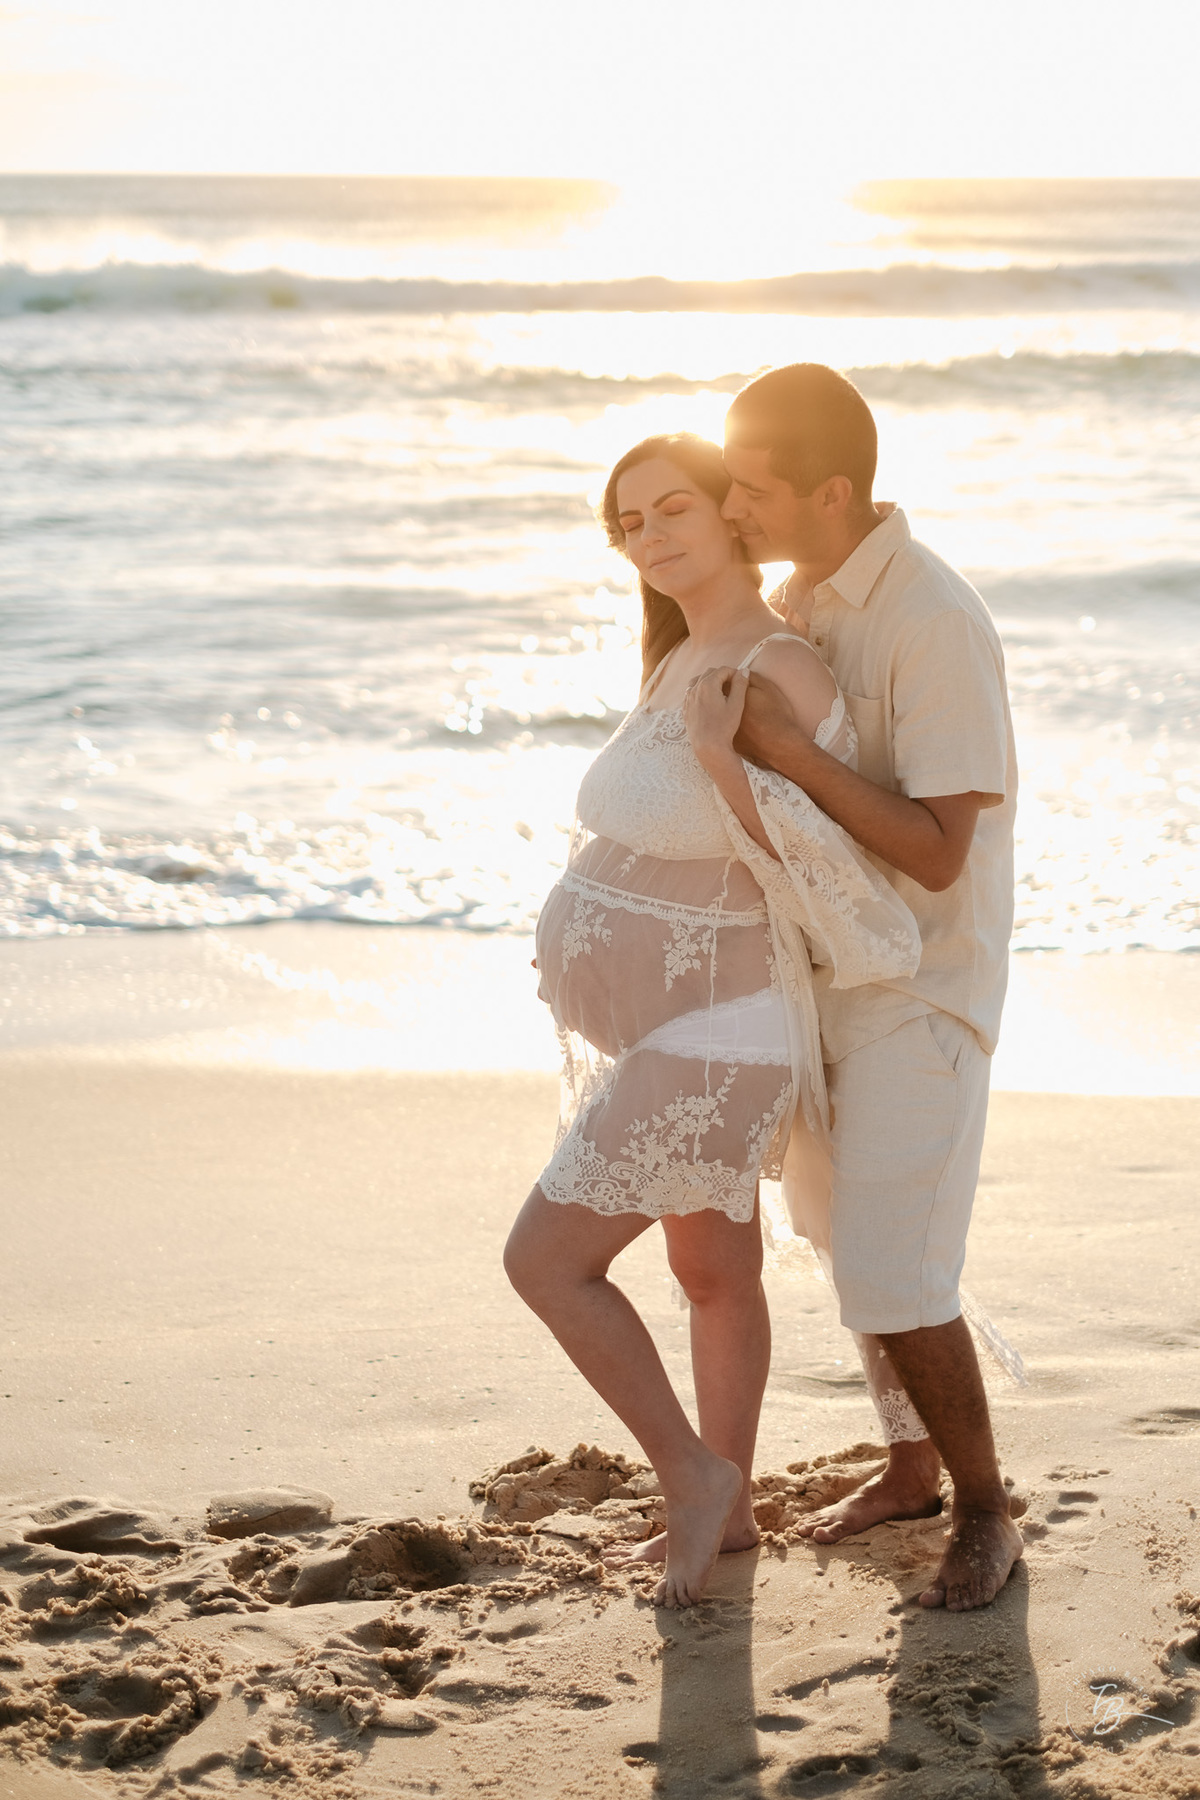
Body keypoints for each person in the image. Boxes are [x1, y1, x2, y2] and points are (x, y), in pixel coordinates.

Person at [504, 432, 920, 1608]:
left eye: (673, 506)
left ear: (733, 515)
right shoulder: (684, 650)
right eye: (629, 523)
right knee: (712, 1271)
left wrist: (720, 759)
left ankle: (687, 1475)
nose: (652, 536)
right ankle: (728, 1506)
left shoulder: (780, 668)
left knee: (545, 1260)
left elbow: (830, 867)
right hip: (676, 1031)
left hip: (728, 1033)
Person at [721, 363, 1025, 1611]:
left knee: (899, 1270)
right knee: (850, 1242)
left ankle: (990, 1511)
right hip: (833, 969)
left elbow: (944, 848)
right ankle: (908, 1468)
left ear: (831, 491)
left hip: (924, 984)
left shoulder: (930, 619)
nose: (733, 508)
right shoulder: (803, 599)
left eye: (750, 490)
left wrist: (786, 751)